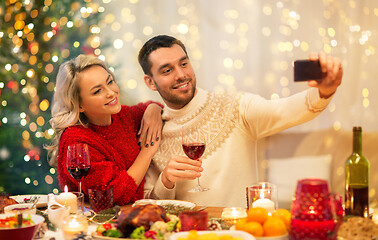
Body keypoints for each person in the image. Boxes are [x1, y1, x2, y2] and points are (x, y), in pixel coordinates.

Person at [138, 35, 343, 207]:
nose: (181, 75)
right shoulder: (152, 131)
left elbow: (286, 110)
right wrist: (165, 181)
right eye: (167, 70)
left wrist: (325, 90)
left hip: (240, 232)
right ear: (150, 82)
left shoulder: (235, 106)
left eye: (184, 64)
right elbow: (148, 205)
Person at [46, 54, 163, 205]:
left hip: (132, 213)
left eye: (110, 82)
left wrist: (153, 109)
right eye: (97, 91)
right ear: (79, 105)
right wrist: (147, 152)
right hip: (95, 222)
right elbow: (112, 195)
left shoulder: (123, 116)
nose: (111, 92)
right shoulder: (75, 139)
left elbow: (156, 107)